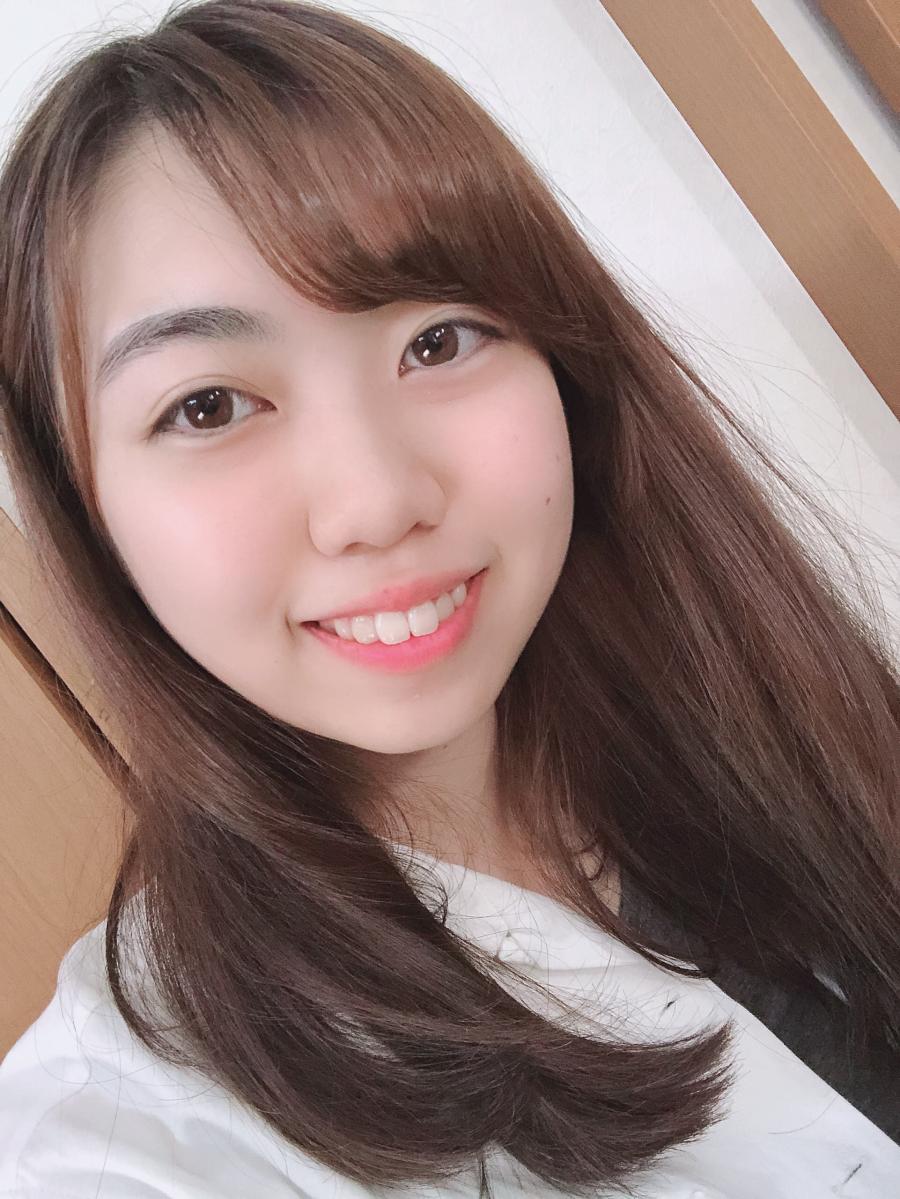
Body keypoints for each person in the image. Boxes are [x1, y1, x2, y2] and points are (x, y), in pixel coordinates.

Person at [0, 1, 897, 1196]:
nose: (376, 500)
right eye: (207, 405)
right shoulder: (124, 1138)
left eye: (438, 340)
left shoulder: (772, 727)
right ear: (88, 510)